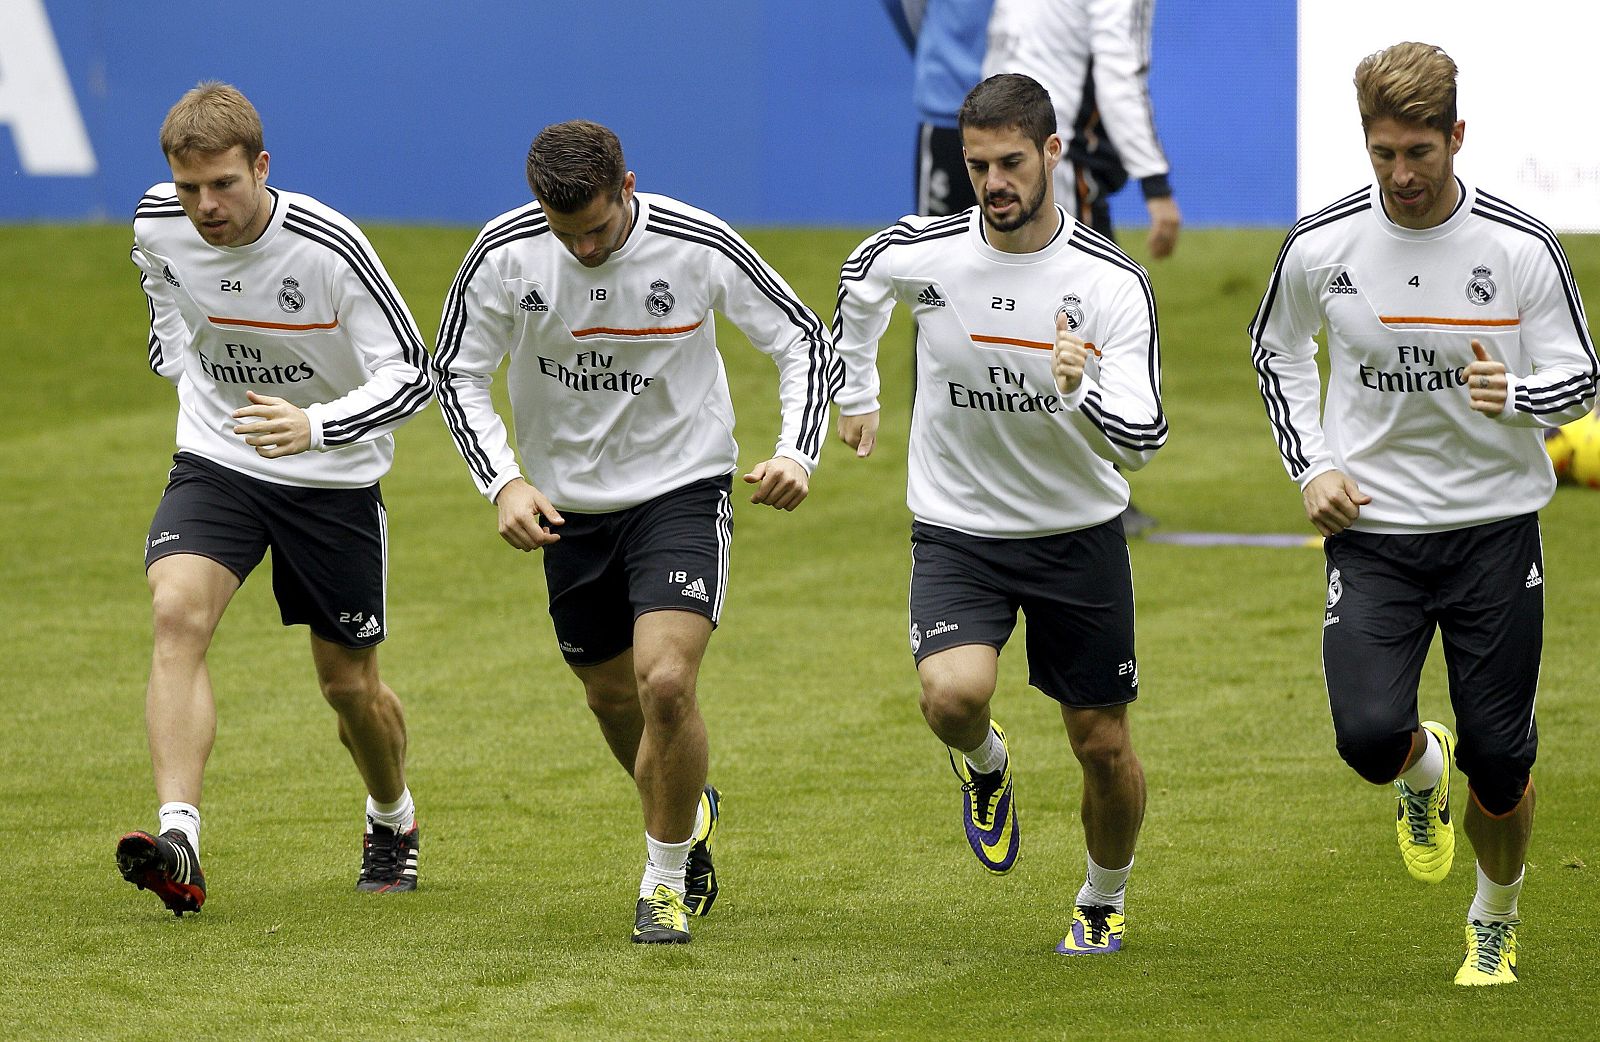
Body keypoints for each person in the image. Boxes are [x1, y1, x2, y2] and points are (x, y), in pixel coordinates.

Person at [432, 120, 840, 945]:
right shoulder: (505, 253)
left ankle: (663, 882)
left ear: (627, 186)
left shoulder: (695, 243)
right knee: (612, 696)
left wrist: (798, 450)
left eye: (597, 229)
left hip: (680, 489)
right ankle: (686, 812)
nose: (584, 249)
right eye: (566, 233)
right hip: (568, 508)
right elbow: (457, 372)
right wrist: (503, 481)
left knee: (665, 682)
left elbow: (800, 338)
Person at [1249, 42, 1598, 985]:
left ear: (1457, 136)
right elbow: (1276, 349)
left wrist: (1517, 396)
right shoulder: (1321, 245)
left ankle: (1495, 919)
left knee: (1503, 761)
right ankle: (1420, 773)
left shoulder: (1520, 247)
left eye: (1420, 152)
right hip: (1373, 533)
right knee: (1368, 738)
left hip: (1494, 533)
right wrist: (1312, 466)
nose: (1401, 174)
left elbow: (1580, 380)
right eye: (1383, 153)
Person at [833, 73, 1166, 954]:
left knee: (1101, 745)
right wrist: (856, 391)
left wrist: (1082, 390)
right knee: (951, 697)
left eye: (1012, 162)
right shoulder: (928, 253)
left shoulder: (1111, 283)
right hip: (958, 528)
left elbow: (1144, 440)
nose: (993, 183)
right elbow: (860, 278)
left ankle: (1102, 897)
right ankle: (986, 764)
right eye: (978, 165)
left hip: (1076, 534)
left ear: (1053, 152)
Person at [118, 82, 434, 915]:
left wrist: (315, 426)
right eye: (189, 187)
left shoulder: (330, 248)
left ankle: (391, 815)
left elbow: (414, 374)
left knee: (348, 687)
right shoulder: (156, 221)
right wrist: (182, 366)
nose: (205, 206)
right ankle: (180, 835)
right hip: (218, 458)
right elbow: (165, 304)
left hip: (330, 478)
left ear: (261, 167)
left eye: (223, 184)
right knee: (176, 611)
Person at [983, 0, 1180, 260]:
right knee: (1097, 282)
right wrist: (1155, 186)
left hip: (997, 145)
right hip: (1057, 156)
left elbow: (1002, 42)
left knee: (1013, 274)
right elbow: (1120, 78)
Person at [880, 0, 996, 217]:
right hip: (951, 106)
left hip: (1025, 107)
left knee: (1026, 234)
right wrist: (943, 52)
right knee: (938, 236)